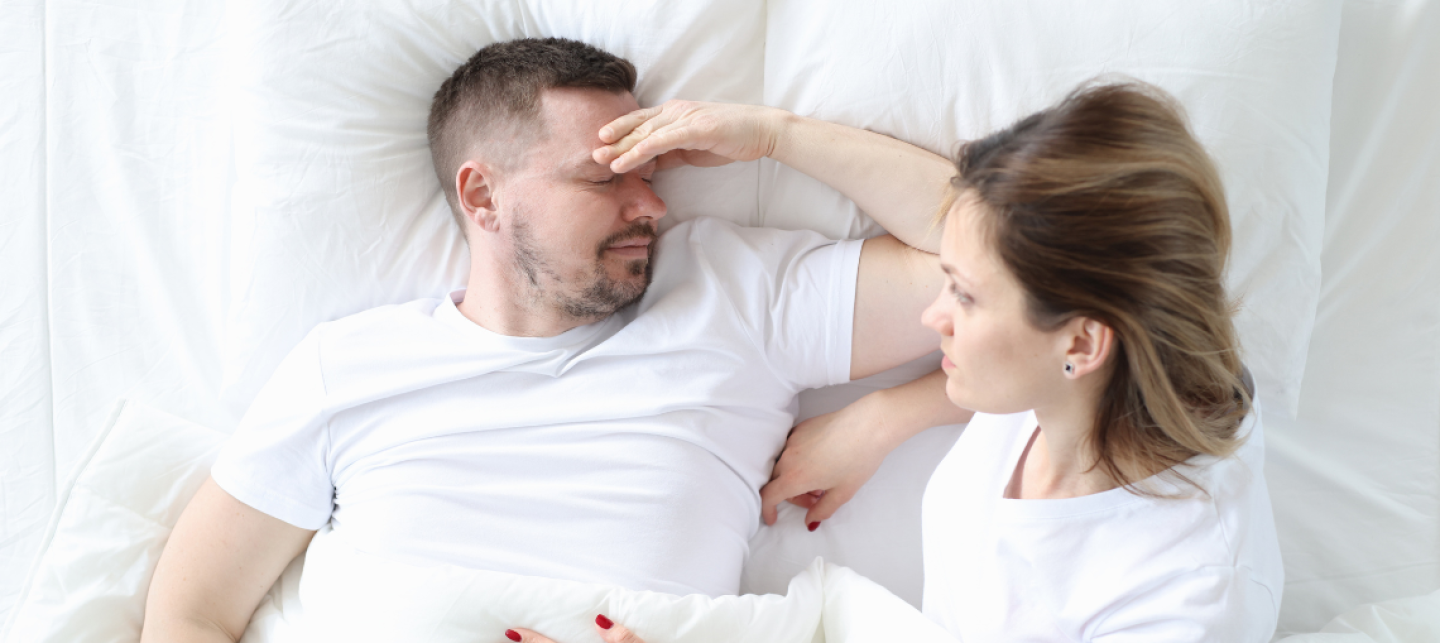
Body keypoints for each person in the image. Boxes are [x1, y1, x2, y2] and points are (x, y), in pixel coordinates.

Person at [140, 37, 954, 642]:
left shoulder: (733, 295)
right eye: (604, 179)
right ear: (482, 196)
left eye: (651, 174)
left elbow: (993, 259)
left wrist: (778, 136)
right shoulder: (347, 367)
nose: (651, 205)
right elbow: (190, 613)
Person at [512, 83, 1284, 643]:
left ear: (1081, 343)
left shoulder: (1182, 599)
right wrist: (773, 134)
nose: (932, 314)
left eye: (965, 297)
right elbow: (968, 224)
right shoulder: (1105, 375)